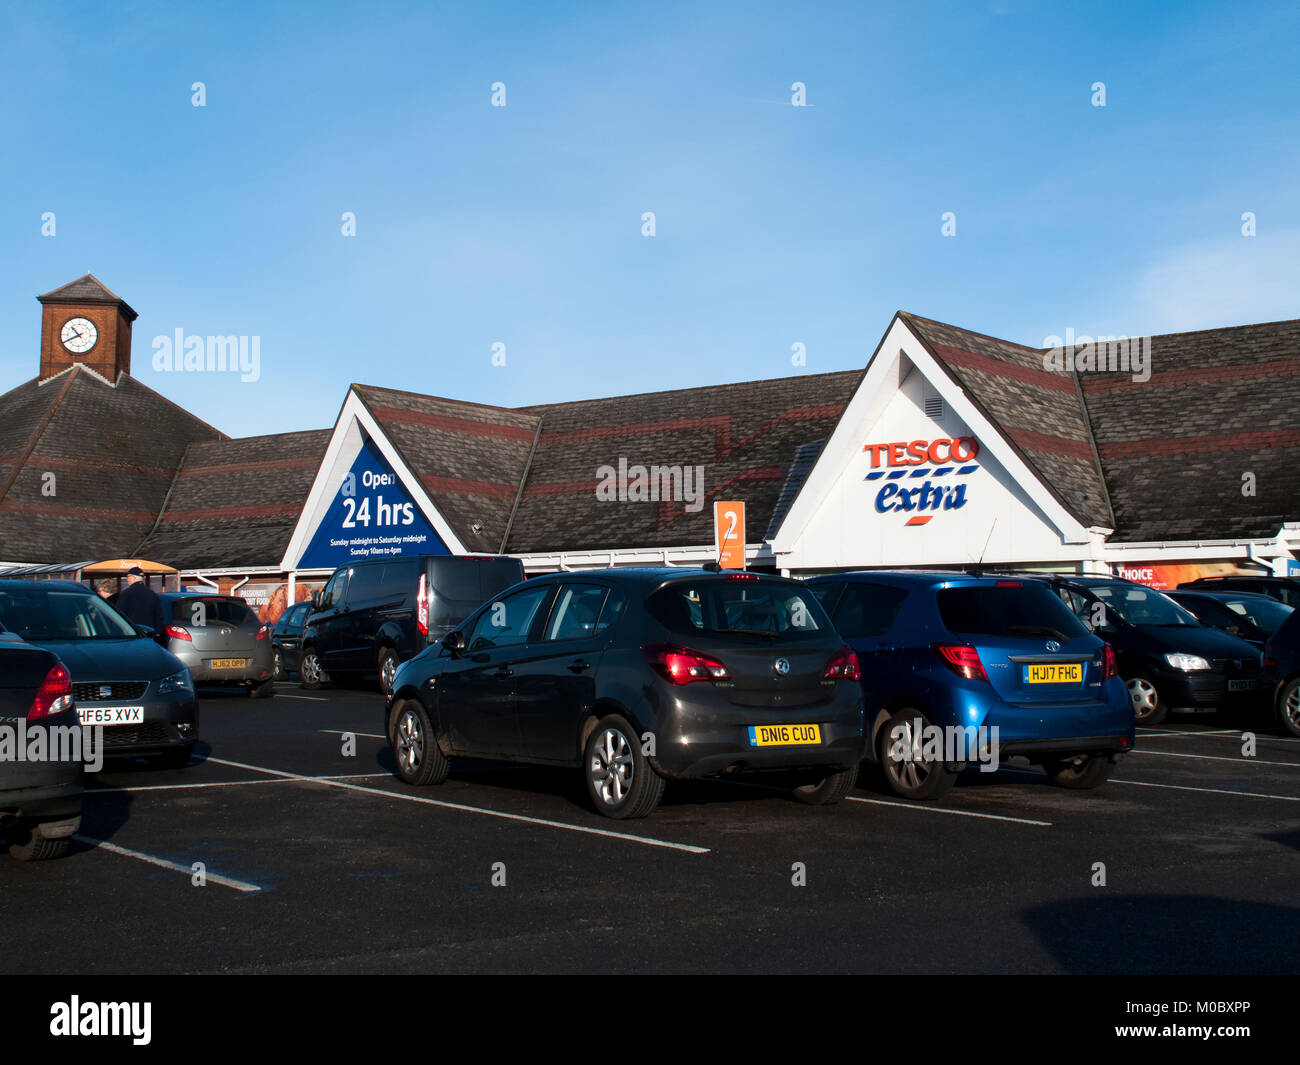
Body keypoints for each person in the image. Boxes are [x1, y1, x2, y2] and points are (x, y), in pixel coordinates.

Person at [115, 566, 165, 634]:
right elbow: (158, 615)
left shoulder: (127, 593)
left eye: (128, 577)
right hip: (149, 633)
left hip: (133, 632)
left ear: (134, 578)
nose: (127, 579)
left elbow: (119, 614)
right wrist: (157, 632)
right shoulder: (152, 594)